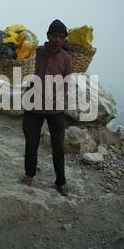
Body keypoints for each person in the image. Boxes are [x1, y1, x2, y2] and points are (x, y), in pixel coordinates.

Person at [22, 19, 72, 196]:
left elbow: (66, 83)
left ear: (64, 39)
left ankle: (61, 181)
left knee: (58, 146)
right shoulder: (35, 53)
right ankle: (29, 174)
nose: (57, 40)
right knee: (31, 143)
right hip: (33, 107)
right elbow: (24, 73)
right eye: (54, 36)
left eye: (61, 37)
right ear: (48, 36)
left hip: (56, 109)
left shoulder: (66, 59)